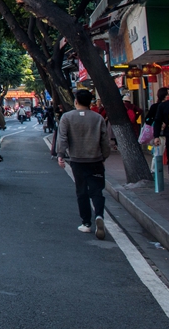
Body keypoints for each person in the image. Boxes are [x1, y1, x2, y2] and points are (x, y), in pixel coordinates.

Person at [56, 89, 111, 239]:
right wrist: (104, 157)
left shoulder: (67, 117)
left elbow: (62, 138)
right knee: (97, 191)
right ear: (90, 102)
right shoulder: (98, 118)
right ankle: (99, 215)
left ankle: (86, 223)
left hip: (77, 160)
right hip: (96, 160)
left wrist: (61, 155)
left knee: (82, 191)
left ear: (76, 101)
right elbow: (105, 141)